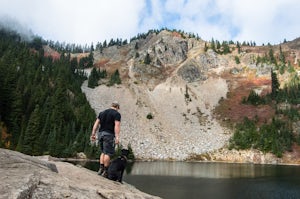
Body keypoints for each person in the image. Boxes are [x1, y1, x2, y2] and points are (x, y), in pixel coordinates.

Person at [91, 101, 121, 177]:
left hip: (100, 134)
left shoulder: (102, 113)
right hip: (109, 134)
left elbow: (96, 124)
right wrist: (117, 137)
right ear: (117, 107)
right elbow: (117, 126)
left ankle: (101, 169)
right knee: (108, 153)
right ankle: (106, 171)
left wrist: (93, 134)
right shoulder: (116, 114)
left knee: (103, 152)